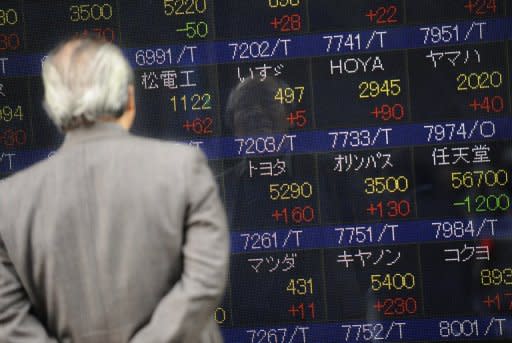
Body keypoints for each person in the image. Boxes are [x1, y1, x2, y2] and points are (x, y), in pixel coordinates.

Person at [0, 37, 229, 342]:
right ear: (129, 100)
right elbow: (205, 280)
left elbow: (8, 317)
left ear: (54, 108)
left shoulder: (9, 201)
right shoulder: (184, 168)